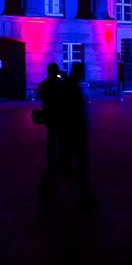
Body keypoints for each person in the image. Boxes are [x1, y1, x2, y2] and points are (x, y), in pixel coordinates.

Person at [61, 62, 99, 211]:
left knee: (69, 158)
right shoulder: (72, 85)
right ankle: (85, 196)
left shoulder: (69, 83)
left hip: (72, 128)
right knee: (81, 163)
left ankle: (84, 194)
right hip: (76, 129)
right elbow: (74, 108)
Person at [35, 62, 64, 197]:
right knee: (62, 138)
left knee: (51, 138)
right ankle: (61, 161)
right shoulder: (59, 84)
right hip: (59, 114)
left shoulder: (44, 84)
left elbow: (41, 95)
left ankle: (51, 160)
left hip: (49, 113)